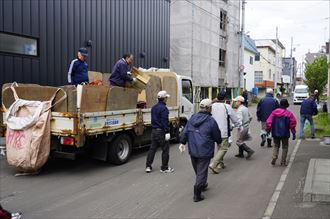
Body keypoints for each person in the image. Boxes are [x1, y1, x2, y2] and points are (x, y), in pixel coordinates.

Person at [179, 99, 222, 202]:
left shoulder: (192, 118)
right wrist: (219, 141)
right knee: (201, 171)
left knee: (199, 170)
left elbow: (185, 132)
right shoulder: (211, 121)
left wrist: (182, 143)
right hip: (205, 150)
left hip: (193, 149)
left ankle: (202, 184)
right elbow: (217, 136)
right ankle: (197, 194)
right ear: (209, 108)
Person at [208, 91, 241, 173]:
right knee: (224, 148)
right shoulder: (227, 106)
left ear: (217, 97)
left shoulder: (212, 106)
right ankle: (214, 164)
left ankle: (219, 164)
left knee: (219, 146)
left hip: (212, 130)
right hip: (223, 131)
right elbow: (234, 118)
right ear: (225, 98)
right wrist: (238, 124)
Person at [145, 90, 174, 173]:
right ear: (164, 99)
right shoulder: (164, 109)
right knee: (165, 149)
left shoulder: (153, 108)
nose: (167, 99)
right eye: (166, 98)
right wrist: (167, 132)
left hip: (154, 131)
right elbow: (164, 121)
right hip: (161, 132)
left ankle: (148, 166)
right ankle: (164, 168)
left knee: (152, 149)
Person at [266, 99, 297, 166]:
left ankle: (274, 157)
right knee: (285, 147)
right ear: (286, 105)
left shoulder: (274, 112)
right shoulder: (289, 114)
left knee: (276, 145)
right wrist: (293, 133)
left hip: (275, 133)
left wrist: (268, 130)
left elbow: (269, 122)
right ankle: (283, 161)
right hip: (285, 133)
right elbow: (293, 124)